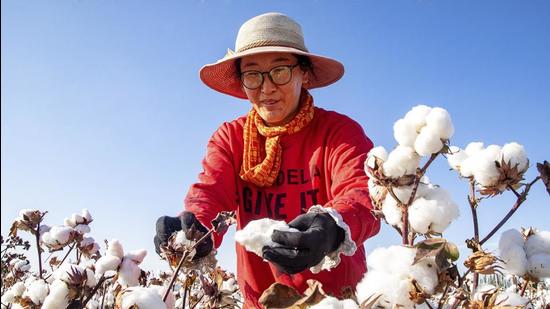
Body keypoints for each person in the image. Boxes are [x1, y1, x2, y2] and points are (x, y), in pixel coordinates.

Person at [154, 12, 380, 308]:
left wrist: (333, 226)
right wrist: (194, 228)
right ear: (242, 82)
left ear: (304, 74)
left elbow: (363, 193)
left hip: (338, 300)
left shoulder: (338, 133)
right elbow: (210, 194)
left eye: (280, 71)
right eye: (253, 75)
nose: (267, 87)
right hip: (260, 301)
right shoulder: (231, 138)